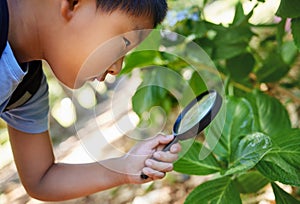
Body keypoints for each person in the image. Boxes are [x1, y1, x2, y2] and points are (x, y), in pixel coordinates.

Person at [0, 0, 182, 201]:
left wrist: (125, 168)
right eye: (124, 43)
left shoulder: (26, 89)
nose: (117, 68)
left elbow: (41, 178)